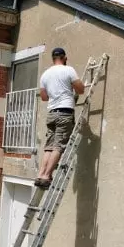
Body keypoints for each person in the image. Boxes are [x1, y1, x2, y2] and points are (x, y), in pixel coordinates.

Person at [35, 48, 85, 188]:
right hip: (64, 113)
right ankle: (46, 176)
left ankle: (40, 174)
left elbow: (44, 97)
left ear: (52, 58)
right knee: (59, 146)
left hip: (51, 114)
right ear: (65, 58)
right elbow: (81, 90)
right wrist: (71, 87)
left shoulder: (45, 75)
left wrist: (55, 91)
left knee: (49, 146)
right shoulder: (68, 70)